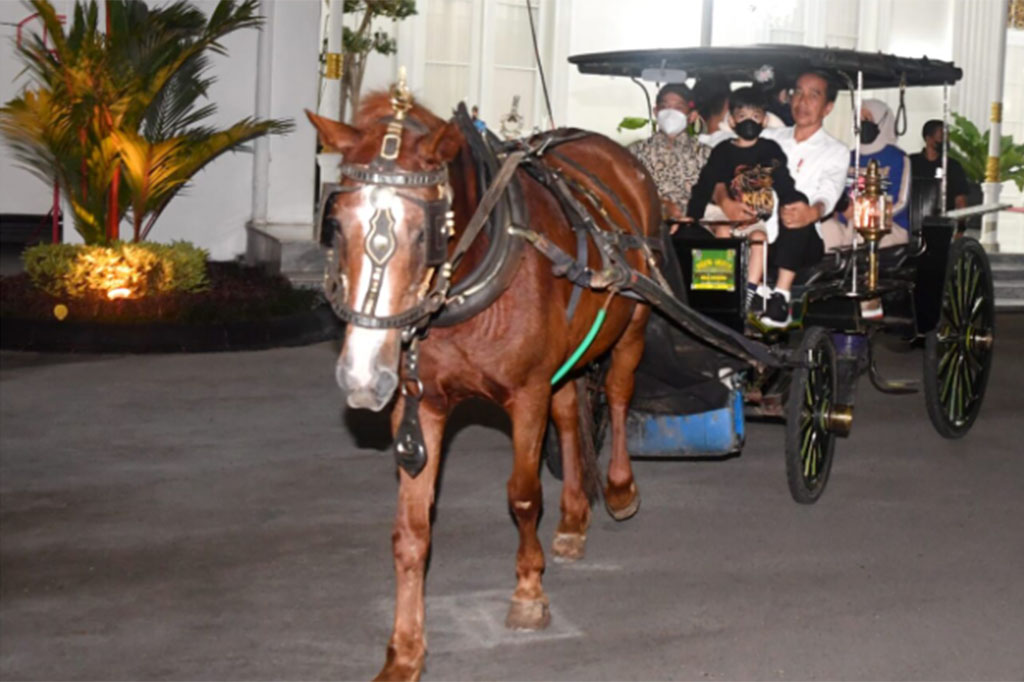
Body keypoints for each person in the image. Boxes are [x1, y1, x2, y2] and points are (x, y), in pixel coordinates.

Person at [739, 70, 850, 327]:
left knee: (796, 202)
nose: (802, 101)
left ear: (828, 107)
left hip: (804, 241)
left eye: (814, 95)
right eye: (798, 92)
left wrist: (814, 211)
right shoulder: (768, 138)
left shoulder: (836, 151)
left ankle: (781, 295)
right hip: (761, 233)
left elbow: (829, 191)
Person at [686, 87, 806, 310]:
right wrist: (692, 215)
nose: (749, 121)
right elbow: (705, 184)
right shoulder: (722, 150)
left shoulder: (771, 150)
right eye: (742, 116)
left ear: (765, 120)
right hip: (720, 212)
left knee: (760, 238)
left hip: (753, 216)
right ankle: (726, 287)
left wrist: (796, 200)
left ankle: (748, 291)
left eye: (756, 116)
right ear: (731, 121)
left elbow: (783, 181)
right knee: (723, 231)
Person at [629, 83, 709, 221]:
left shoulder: (706, 154)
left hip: (694, 227)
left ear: (692, 116)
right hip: (648, 226)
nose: (670, 113)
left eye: (678, 108)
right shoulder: (635, 152)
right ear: (656, 112)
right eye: (664, 107)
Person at [909, 119, 969, 211]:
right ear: (928, 138)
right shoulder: (910, 162)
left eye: (948, 137)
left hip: (945, 220)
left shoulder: (953, 166)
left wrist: (961, 223)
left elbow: (960, 200)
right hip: (913, 217)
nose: (946, 141)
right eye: (942, 137)